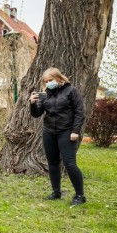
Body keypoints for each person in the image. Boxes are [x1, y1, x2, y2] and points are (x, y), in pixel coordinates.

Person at [29, 67, 86, 206]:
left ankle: (80, 195)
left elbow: (80, 112)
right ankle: (56, 192)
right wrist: (32, 103)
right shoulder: (45, 94)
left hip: (66, 131)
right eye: (46, 81)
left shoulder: (71, 91)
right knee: (52, 163)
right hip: (49, 131)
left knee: (70, 163)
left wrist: (75, 131)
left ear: (59, 78)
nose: (48, 83)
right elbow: (37, 113)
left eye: (51, 80)